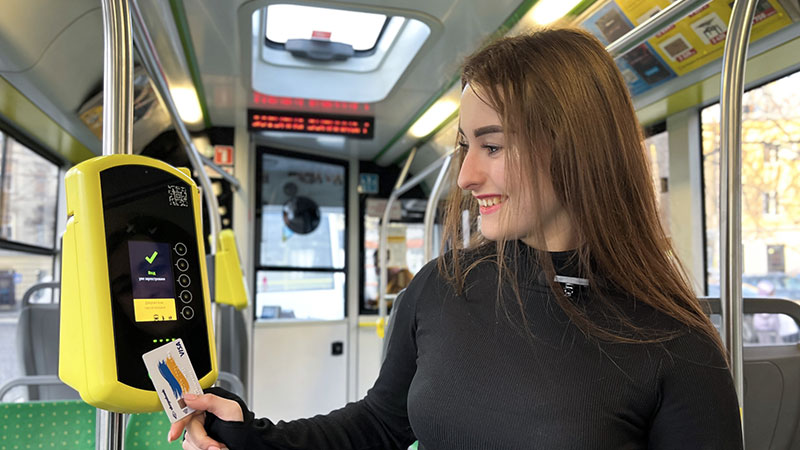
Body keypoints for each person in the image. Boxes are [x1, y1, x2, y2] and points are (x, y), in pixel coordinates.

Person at [168, 28, 743, 450]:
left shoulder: (674, 343)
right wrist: (252, 437)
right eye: (466, 146)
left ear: (574, 147)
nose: (467, 177)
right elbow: (378, 425)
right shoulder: (444, 288)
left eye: (492, 146)